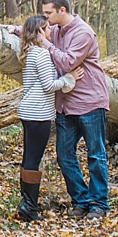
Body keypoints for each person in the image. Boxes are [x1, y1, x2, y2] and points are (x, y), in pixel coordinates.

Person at [19, 0, 111, 219]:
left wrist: (45, 44)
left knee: (96, 154)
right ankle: (81, 200)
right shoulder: (56, 31)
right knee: (64, 155)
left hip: (89, 101)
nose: (46, 18)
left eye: (48, 13)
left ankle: (99, 203)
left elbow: (69, 61)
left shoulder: (83, 33)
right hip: (65, 105)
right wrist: (18, 30)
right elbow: (40, 34)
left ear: (62, 10)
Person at [14, 14, 74, 222]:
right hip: (38, 112)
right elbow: (49, 85)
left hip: (29, 111)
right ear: (38, 32)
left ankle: (27, 203)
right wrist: (68, 79)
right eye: (47, 29)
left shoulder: (30, 52)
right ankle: (29, 206)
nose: (50, 32)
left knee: (28, 157)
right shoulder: (40, 54)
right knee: (33, 158)